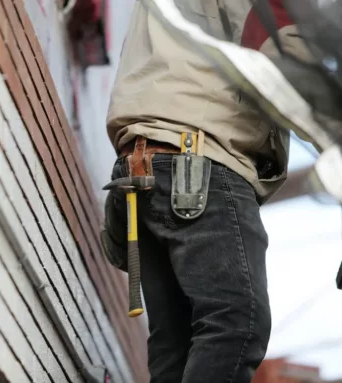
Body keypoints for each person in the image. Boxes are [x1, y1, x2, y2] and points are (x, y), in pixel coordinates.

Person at [100, 1, 312, 382]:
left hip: (145, 164)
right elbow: (286, 58)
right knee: (237, 323)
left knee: (176, 349)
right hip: (196, 165)